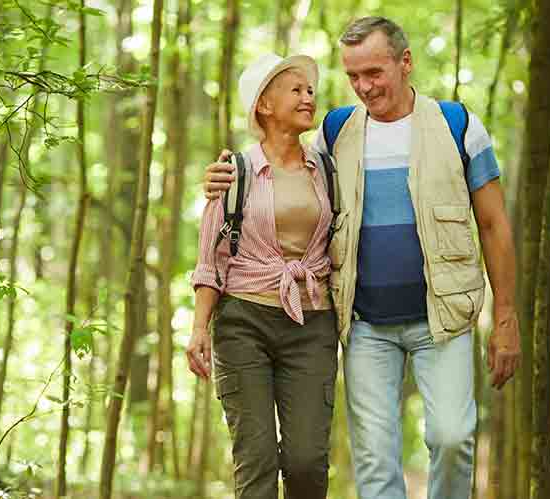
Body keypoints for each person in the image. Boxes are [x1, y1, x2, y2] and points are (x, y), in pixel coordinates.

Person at [202, 16, 521, 499]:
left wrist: (506, 317)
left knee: (452, 438)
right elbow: (281, 165)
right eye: (352, 76)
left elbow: (495, 226)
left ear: (405, 63)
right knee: (374, 461)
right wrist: (222, 178)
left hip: (445, 317)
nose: (363, 87)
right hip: (364, 323)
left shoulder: (457, 125)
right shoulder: (336, 131)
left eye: (373, 73)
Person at [186, 53, 339, 499]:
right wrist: (199, 329)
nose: (308, 97)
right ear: (264, 105)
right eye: (296, 89)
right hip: (243, 324)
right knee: (257, 462)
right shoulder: (234, 172)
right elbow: (209, 261)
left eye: (310, 90)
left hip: (312, 324)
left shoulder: (326, 170)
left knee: (307, 461)